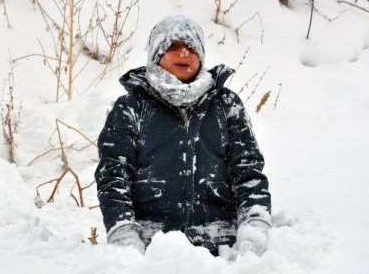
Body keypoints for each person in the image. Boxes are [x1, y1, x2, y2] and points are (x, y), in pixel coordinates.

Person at [95, 15, 271, 257]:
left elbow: (248, 170)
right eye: (173, 46)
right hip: (153, 248)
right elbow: (113, 175)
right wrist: (122, 232)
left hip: (221, 246)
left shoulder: (226, 104)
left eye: (191, 47)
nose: (184, 53)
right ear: (157, 55)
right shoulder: (131, 107)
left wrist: (254, 228)